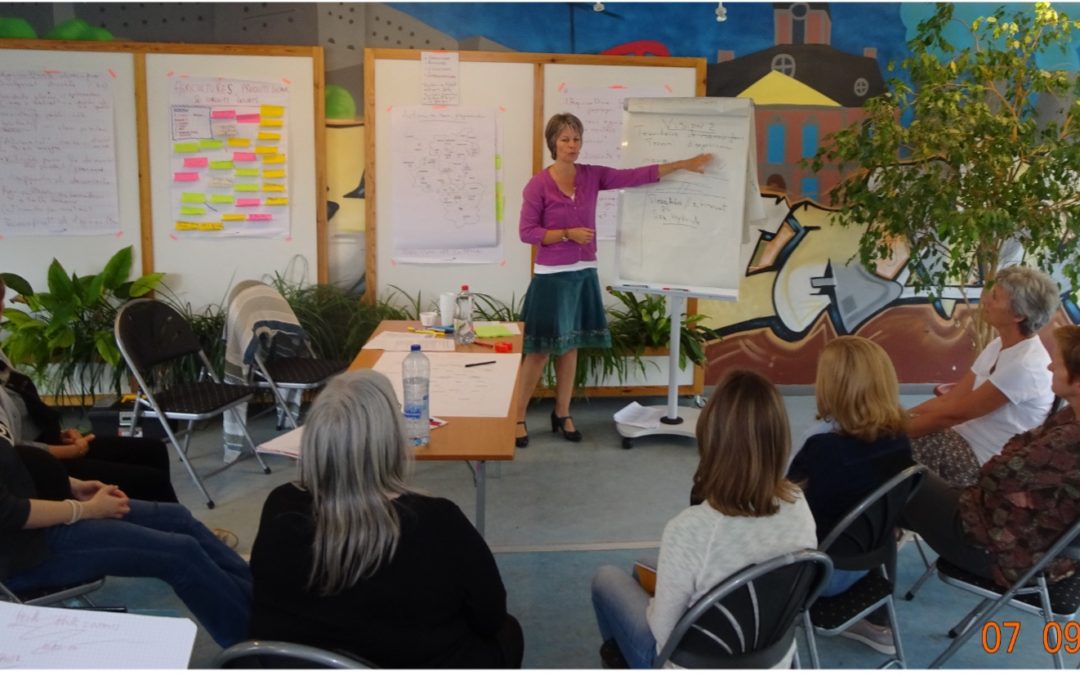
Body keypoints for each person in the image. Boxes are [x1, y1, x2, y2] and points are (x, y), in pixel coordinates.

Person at [248, 369, 524, 668]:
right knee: (508, 633)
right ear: (391, 442)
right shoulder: (437, 521)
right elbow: (489, 616)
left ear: (314, 438)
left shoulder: (279, 506)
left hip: (296, 663)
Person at [590, 370, 816, 668]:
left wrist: (656, 605)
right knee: (642, 568)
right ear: (779, 439)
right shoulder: (798, 502)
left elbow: (662, 634)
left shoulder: (689, 528)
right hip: (773, 660)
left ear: (711, 438)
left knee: (606, 578)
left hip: (691, 664)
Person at [512, 113, 713, 447]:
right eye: (565, 139)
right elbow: (527, 232)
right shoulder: (538, 184)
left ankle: (562, 413)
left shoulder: (591, 175)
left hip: (584, 272)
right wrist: (566, 233)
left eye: (576, 138)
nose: (572, 145)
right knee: (539, 352)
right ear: (553, 143)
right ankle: (518, 416)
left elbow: (635, 176)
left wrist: (682, 164)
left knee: (571, 347)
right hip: (551, 277)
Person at [0, 413, 252, 647]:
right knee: (179, 554)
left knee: (178, 518)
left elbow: (13, 461)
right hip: (25, 553)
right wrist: (86, 510)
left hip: (42, 513)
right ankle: (252, 649)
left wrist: (70, 485)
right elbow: (9, 512)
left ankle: (262, 604)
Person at [903, 324, 1080, 589]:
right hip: (1003, 522)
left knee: (901, 479)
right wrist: (1018, 482)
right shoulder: (1069, 416)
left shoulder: (1067, 440)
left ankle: (861, 575)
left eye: (1059, 363)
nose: (1050, 366)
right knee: (897, 484)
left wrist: (1016, 477)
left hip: (1001, 549)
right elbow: (1017, 446)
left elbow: (992, 473)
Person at [0, 275, 177, 503]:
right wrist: (68, 451)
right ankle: (163, 522)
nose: (2, 310)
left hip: (43, 444)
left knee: (154, 450)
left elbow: (21, 409)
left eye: (2, 300)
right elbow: (10, 450)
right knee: (150, 480)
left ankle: (166, 520)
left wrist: (61, 435)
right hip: (30, 467)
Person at [787, 336, 914, 655]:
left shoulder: (822, 449)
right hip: (869, 563)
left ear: (833, 387)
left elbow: (785, 509)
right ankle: (873, 619)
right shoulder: (899, 438)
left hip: (819, 575)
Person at [907, 265, 1060, 486]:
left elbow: (954, 415)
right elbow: (950, 401)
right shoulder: (998, 344)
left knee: (896, 445)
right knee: (891, 432)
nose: (985, 299)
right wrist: (898, 418)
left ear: (1018, 315)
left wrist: (891, 432)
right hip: (959, 437)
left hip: (982, 462)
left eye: (995, 297)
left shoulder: (1025, 366)